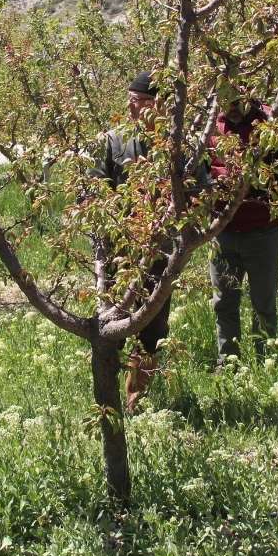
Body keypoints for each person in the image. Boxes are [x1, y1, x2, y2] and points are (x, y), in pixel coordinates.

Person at [90, 72, 173, 413]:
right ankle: (108, 400)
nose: (132, 108)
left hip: (160, 252)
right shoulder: (113, 141)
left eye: (139, 102)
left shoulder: (175, 143)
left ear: (159, 105)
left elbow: (197, 187)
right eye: (130, 101)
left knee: (153, 326)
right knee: (112, 323)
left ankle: (137, 400)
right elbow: (94, 189)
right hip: (119, 251)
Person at [206, 97, 278, 361]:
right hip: (222, 232)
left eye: (236, 100)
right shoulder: (209, 123)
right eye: (226, 100)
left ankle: (265, 363)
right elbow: (198, 171)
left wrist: (247, 178)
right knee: (224, 304)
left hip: (262, 231)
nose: (231, 107)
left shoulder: (272, 122)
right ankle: (228, 364)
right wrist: (219, 180)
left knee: (263, 305)